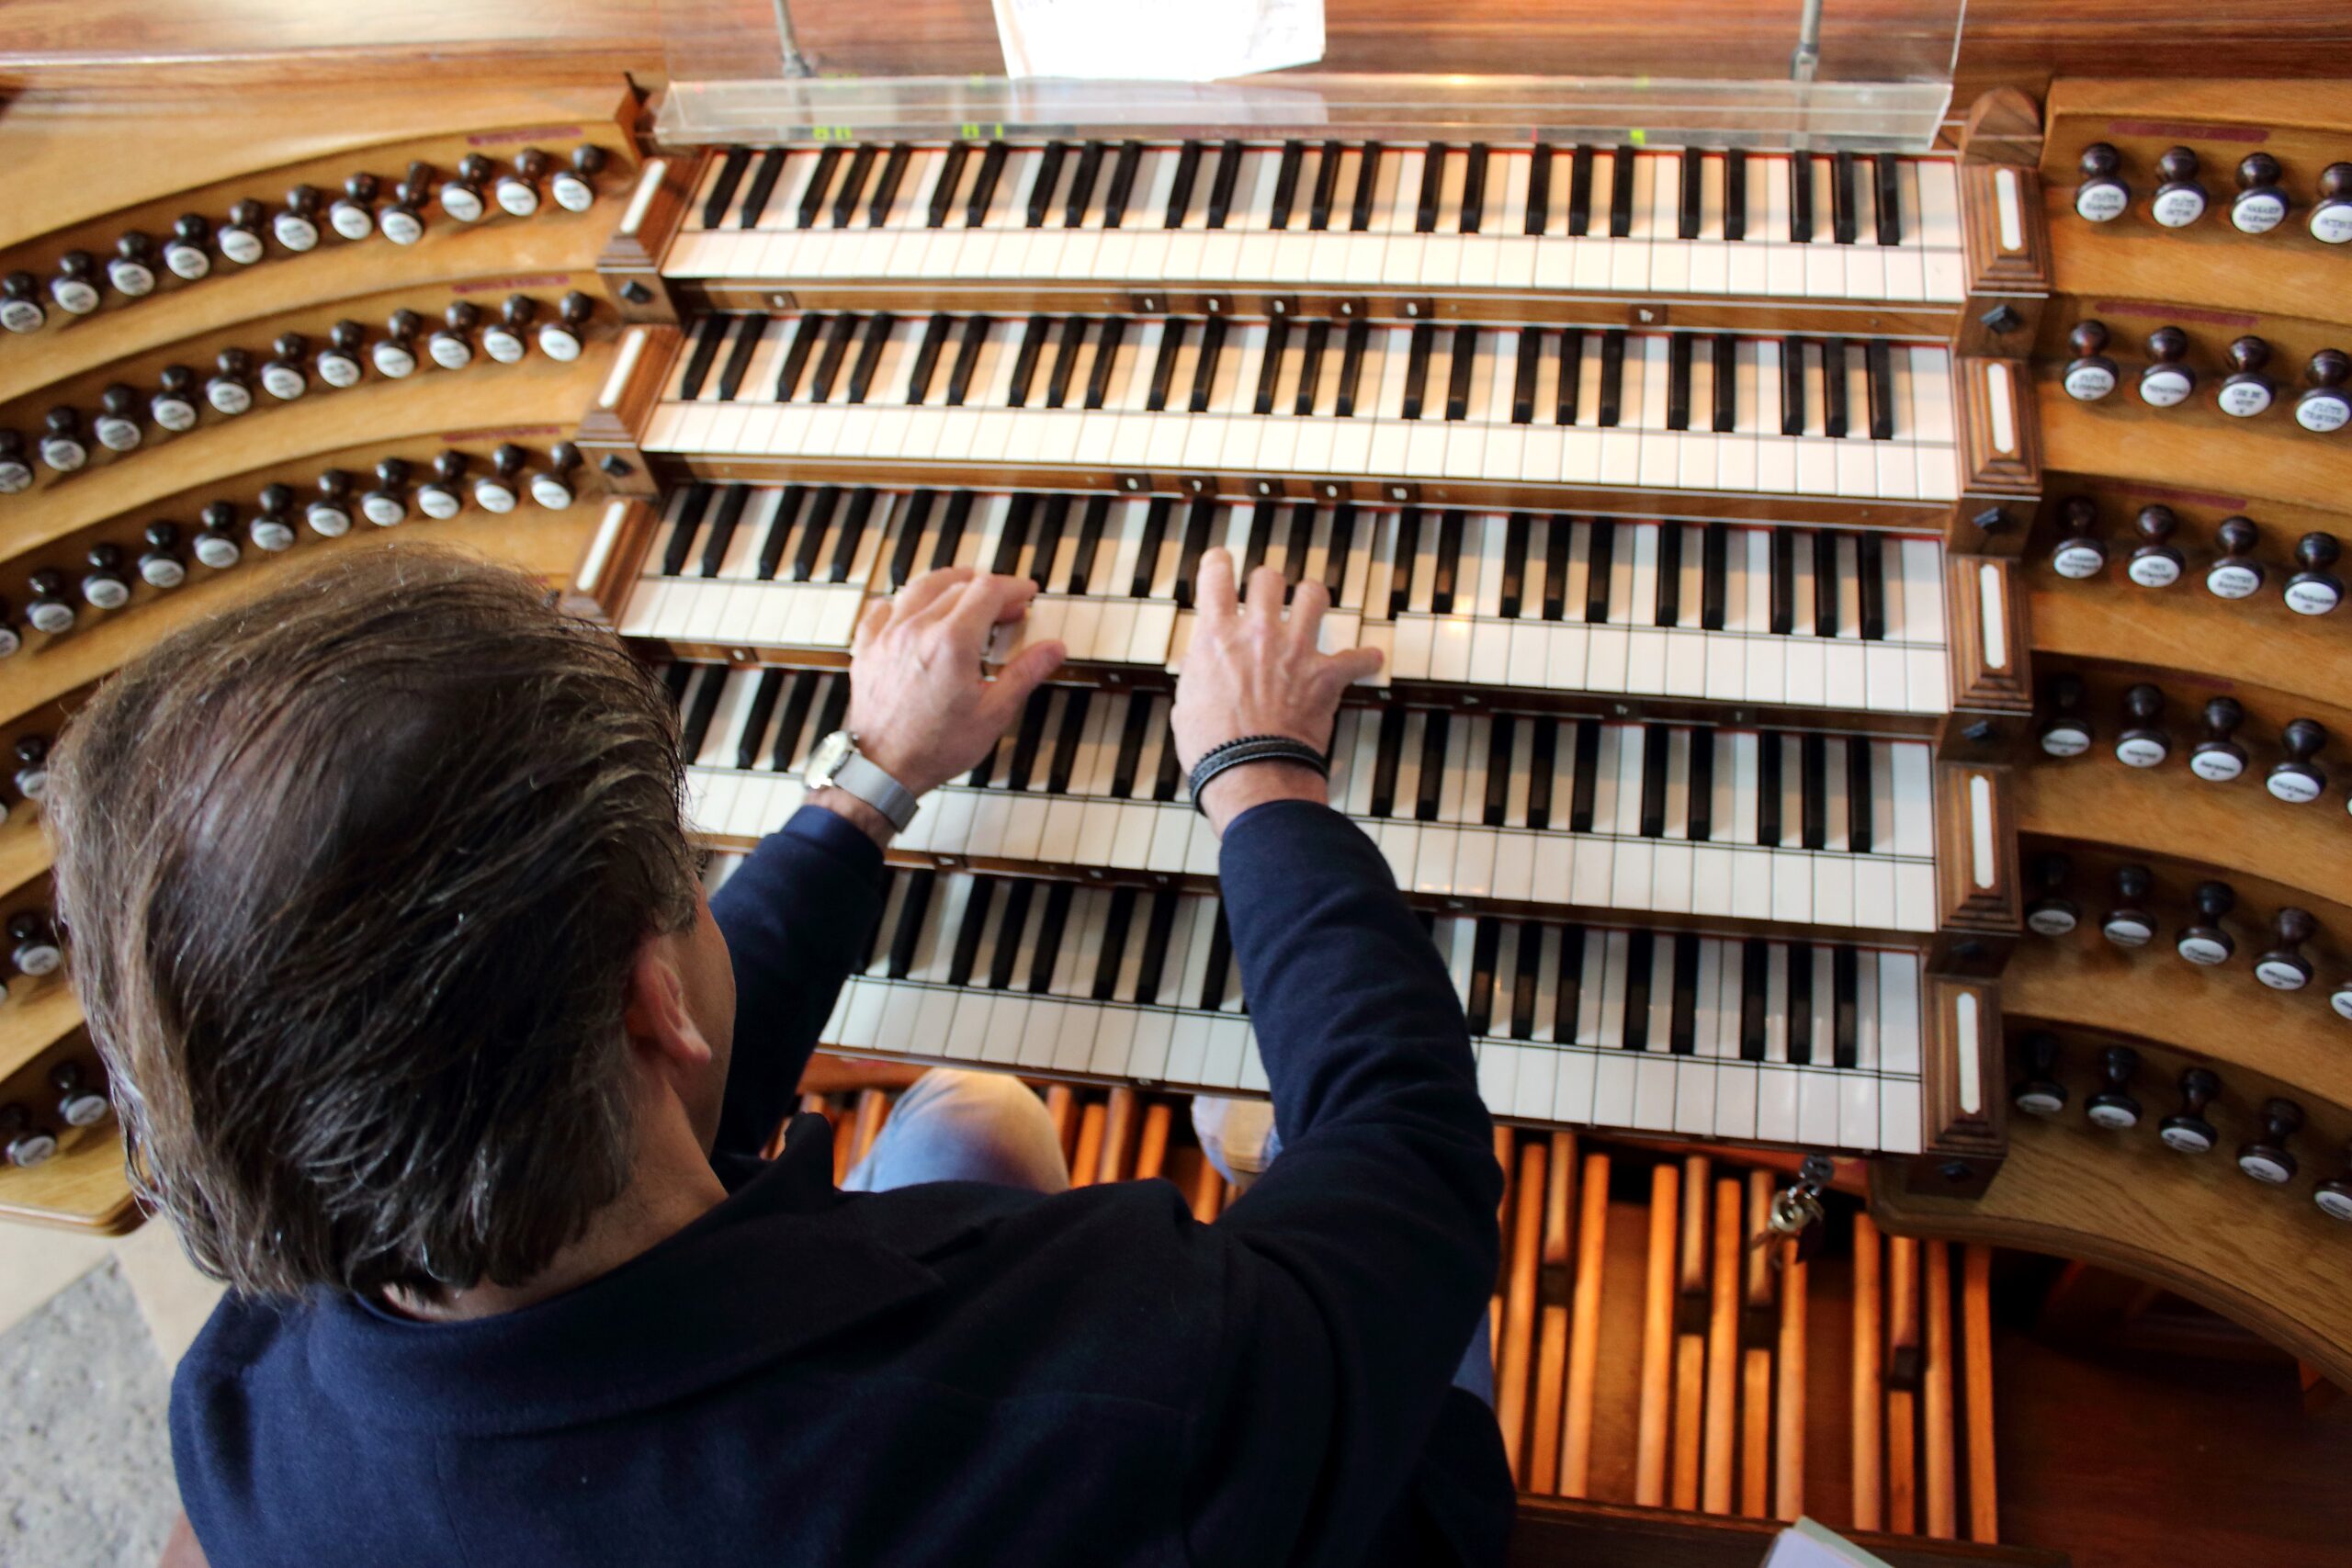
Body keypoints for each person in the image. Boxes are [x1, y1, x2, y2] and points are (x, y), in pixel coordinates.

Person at [52, 543, 1513, 1567]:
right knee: (1335, 1192)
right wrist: (1259, 776)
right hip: (1277, 1486)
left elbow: (598, 1073)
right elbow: (1413, 1161)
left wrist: (868, 785)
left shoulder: (248, 1413)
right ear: (655, 1003)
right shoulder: (1121, 1382)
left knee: (973, 1119)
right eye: (685, 879)